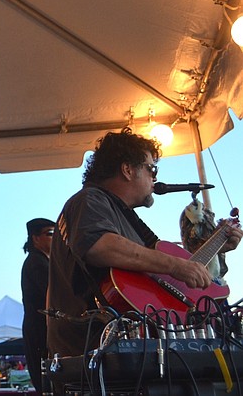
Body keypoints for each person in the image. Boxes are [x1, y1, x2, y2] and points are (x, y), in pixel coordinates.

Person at [47, 129, 242, 361]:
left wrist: (216, 245)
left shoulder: (124, 216)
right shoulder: (89, 200)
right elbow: (100, 245)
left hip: (120, 348)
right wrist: (176, 265)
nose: (155, 178)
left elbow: (170, 279)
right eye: (152, 169)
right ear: (128, 170)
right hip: (92, 350)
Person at [20, 217, 54, 394]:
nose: (55, 238)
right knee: (48, 382)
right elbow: (53, 294)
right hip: (40, 331)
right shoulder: (37, 262)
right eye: (50, 234)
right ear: (35, 238)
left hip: (40, 330)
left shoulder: (43, 261)